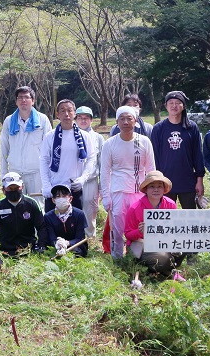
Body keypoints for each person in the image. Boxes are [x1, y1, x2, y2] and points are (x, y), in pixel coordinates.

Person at [101, 106, 156, 258]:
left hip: (140, 192)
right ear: (117, 122)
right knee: (118, 228)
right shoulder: (109, 144)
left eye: (129, 118)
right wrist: (106, 196)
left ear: (136, 120)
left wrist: (152, 193)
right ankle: (118, 257)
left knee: (140, 226)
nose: (125, 122)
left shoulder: (145, 141)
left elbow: (151, 169)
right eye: (122, 119)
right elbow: (104, 172)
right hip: (118, 192)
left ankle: (142, 256)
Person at [39, 99, 97, 213]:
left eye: (69, 111)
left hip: (74, 188)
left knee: (74, 226)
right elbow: (43, 160)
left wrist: (83, 179)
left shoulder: (84, 136)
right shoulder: (49, 136)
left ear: (74, 113)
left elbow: (91, 158)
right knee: (53, 226)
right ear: (57, 115)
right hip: (54, 188)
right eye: (62, 111)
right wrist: (46, 185)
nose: (66, 114)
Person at [150, 91, 205, 209]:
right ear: (166, 106)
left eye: (177, 103)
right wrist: (156, 182)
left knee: (190, 217)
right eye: (171, 103)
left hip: (187, 181)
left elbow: (198, 155)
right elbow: (154, 156)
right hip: (164, 181)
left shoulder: (191, 127)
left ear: (183, 106)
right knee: (165, 218)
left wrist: (199, 180)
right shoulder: (158, 129)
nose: (174, 106)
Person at [0, 86, 52, 205]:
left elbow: (49, 149)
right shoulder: (9, 121)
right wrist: (3, 174)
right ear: (16, 101)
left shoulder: (42, 120)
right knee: (16, 205)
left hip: (37, 172)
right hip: (15, 172)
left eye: (26, 97)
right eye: (20, 98)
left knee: (38, 205)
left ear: (33, 101)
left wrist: (48, 175)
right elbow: (4, 149)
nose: (23, 100)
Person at [124, 170, 183, 275]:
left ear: (164, 189)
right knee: (162, 258)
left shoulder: (171, 205)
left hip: (163, 242)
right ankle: (150, 268)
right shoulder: (135, 208)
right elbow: (128, 234)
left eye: (159, 186)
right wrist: (140, 231)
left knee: (186, 244)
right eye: (152, 186)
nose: (156, 190)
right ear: (146, 189)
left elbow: (174, 228)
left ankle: (166, 267)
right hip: (142, 244)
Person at [0, 172, 48, 256]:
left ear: (22, 187)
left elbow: (41, 227)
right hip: (6, 251)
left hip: (29, 251)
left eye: (17, 188)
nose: (14, 190)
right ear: (3, 190)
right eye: (10, 188)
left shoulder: (32, 204)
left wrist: (42, 245)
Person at [74, 106, 104, 237]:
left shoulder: (98, 138)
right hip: (74, 181)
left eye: (86, 118)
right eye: (80, 118)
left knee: (90, 210)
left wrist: (102, 187)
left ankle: (90, 238)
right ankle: (75, 239)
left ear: (91, 120)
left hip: (91, 181)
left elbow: (102, 164)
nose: (83, 121)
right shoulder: (70, 135)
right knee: (73, 210)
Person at [43, 184, 88, 257]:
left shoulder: (79, 214)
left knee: (77, 251)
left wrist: (67, 243)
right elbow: (51, 237)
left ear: (70, 199)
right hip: (57, 246)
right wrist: (58, 244)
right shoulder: (48, 217)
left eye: (64, 196)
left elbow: (80, 238)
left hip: (74, 246)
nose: (61, 198)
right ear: (53, 200)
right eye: (58, 196)